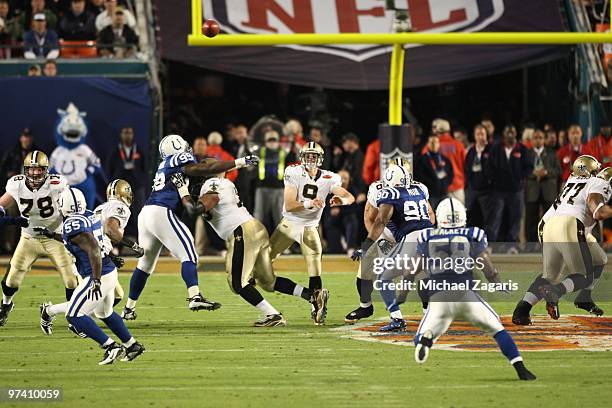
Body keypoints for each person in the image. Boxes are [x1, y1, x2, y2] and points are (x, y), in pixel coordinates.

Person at [121, 135, 259, 320]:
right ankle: (194, 296)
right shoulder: (178, 159)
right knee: (190, 254)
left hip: (146, 213)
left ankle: (129, 308)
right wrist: (239, 162)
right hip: (162, 211)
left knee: (145, 265)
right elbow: (205, 168)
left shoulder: (165, 165)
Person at [413, 198, 536, 381]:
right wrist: (496, 282)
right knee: (498, 330)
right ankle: (520, 369)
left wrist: (403, 290)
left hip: (438, 296)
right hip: (466, 295)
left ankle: (427, 339)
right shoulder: (473, 234)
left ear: (440, 216)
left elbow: (414, 269)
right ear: (462, 215)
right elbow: (486, 266)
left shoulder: (426, 236)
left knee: (424, 333)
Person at [198, 174, 328, 326]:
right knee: (267, 282)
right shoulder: (223, 183)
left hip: (242, 231)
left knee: (237, 282)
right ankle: (313, 295)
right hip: (255, 228)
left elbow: (208, 200)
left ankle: (272, 315)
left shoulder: (211, 183)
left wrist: (192, 204)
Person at [41, 187, 144, 365]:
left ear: (63, 205)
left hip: (97, 274)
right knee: (104, 313)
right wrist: (54, 235)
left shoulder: (72, 224)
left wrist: (95, 280)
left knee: (74, 315)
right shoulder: (89, 215)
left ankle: (110, 346)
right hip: (108, 270)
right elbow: (93, 241)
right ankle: (132, 345)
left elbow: (94, 248)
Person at [512, 157, 608, 325]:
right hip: (570, 225)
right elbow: (598, 212)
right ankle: (555, 292)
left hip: (548, 225)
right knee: (584, 275)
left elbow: (545, 223)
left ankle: (522, 310)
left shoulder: (570, 181)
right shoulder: (597, 182)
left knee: (598, 260)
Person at [269, 142, 355, 324]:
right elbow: (291, 205)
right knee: (263, 265)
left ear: (320, 159)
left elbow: (350, 196)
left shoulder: (330, 178)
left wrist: (342, 200)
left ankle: (317, 308)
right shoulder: (293, 172)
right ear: (302, 157)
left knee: (315, 272)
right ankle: (310, 296)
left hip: (310, 228)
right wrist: (309, 204)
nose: (310, 159)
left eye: (313, 156)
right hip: (289, 225)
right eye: (307, 155)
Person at [0, 151, 77, 327]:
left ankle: (74, 316)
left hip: (55, 237)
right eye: (31, 169)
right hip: (29, 237)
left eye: (39, 169)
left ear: (46, 170)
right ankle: (5, 304)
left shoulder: (58, 183)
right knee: (12, 278)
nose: (35, 173)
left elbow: (71, 206)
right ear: (25, 169)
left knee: (71, 279)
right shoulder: (16, 184)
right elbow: (2, 203)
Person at [353, 164, 434, 332]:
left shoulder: (390, 193)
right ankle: (430, 315)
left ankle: (397, 318)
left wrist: (366, 246)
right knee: (423, 275)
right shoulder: (419, 189)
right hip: (431, 236)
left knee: (383, 276)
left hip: (412, 238)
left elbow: (380, 221)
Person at [344, 157, 412, 324]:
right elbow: (370, 218)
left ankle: (429, 310)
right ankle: (365, 306)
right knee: (366, 267)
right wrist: (378, 241)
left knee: (422, 272)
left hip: (410, 236)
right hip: (387, 237)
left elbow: (430, 216)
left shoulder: (417, 188)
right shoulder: (378, 188)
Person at [485, 124, 534, 248]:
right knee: (495, 219)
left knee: (515, 218)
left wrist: (520, 178)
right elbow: (489, 166)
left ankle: (512, 246)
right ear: (504, 134)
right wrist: (494, 180)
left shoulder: (522, 149)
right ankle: (492, 245)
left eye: (512, 132)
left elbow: (529, 167)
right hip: (499, 190)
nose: (510, 134)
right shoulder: (496, 148)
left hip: (516, 190)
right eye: (508, 132)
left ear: (516, 134)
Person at [105, 127, 146, 236]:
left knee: (139, 215)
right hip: (120, 189)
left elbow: (144, 168)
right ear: (121, 135)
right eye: (125, 133)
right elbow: (109, 169)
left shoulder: (139, 150)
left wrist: (140, 181)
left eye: (130, 133)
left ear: (133, 135)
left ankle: (141, 241)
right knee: (118, 214)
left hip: (136, 187)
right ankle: (118, 245)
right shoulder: (115, 151)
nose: (127, 135)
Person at [524, 129, 562, 243]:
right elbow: (522, 170)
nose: (538, 140)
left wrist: (546, 172)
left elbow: (558, 170)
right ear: (531, 140)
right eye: (535, 138)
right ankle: (531, 245)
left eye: (540, 138)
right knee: (531, 220)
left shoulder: (551, 153)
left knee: (549, 220)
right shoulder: (527, 154)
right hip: (532, 191)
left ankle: (549, 244)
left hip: (548, 191)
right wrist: (533, 173)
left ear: (544, 140)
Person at [254, 130, 294, 233]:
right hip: (262, 188)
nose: (272, 142)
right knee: (259, 216)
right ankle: (256, 244)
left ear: (278, 141)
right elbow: (250, 165)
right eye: (269, 140)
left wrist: (294, 143)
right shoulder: (259, 152)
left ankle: (283, 245)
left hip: (278, 188)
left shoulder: (284, 152)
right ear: (265, 141)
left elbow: (295, 160)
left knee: (280, 217)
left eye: (274, 140)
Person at [421, 118, 466, 204]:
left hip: (436, 190)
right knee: (458, 215)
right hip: (457, 187)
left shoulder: (429, 145)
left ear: (436, 129)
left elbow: (423, 166)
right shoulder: (459, 145)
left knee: (437, 215)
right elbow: (466, 166)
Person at [323, 169, 360, 254]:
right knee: (335, 250)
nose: (343, 181)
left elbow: (354, 205)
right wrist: (332, 209)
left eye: (345, 178)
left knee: (352, 219)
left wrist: (340, 209)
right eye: (341, 178)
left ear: (349, 179)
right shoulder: (330, 189)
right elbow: (326, 205)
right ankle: (336, 243)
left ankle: (350, 246)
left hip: (347, 216)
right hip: (333, 219)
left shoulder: (352, 189)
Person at [415, 134, 454, 209]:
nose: (434, 144)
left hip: (444, 193)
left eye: (436, 142)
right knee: (432, 215)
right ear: (428, 144)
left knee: (443, 214)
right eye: (431, 142)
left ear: (439, 144)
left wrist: (445, 183)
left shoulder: (444, 159)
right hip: (430, 195)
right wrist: (431, 184)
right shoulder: (422, 159)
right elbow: (419, 176)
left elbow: (451, 174)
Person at [464, 124, 490, 228]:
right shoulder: (471, 151)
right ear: (474, 136)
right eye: (478, 134)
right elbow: (466, 169)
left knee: (488, 219)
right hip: (473, 190)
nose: (480, 137)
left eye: (482, 134)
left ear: (486, 135)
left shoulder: (492, 149)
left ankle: (488, 242)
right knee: (471, 217)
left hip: (487, 192)